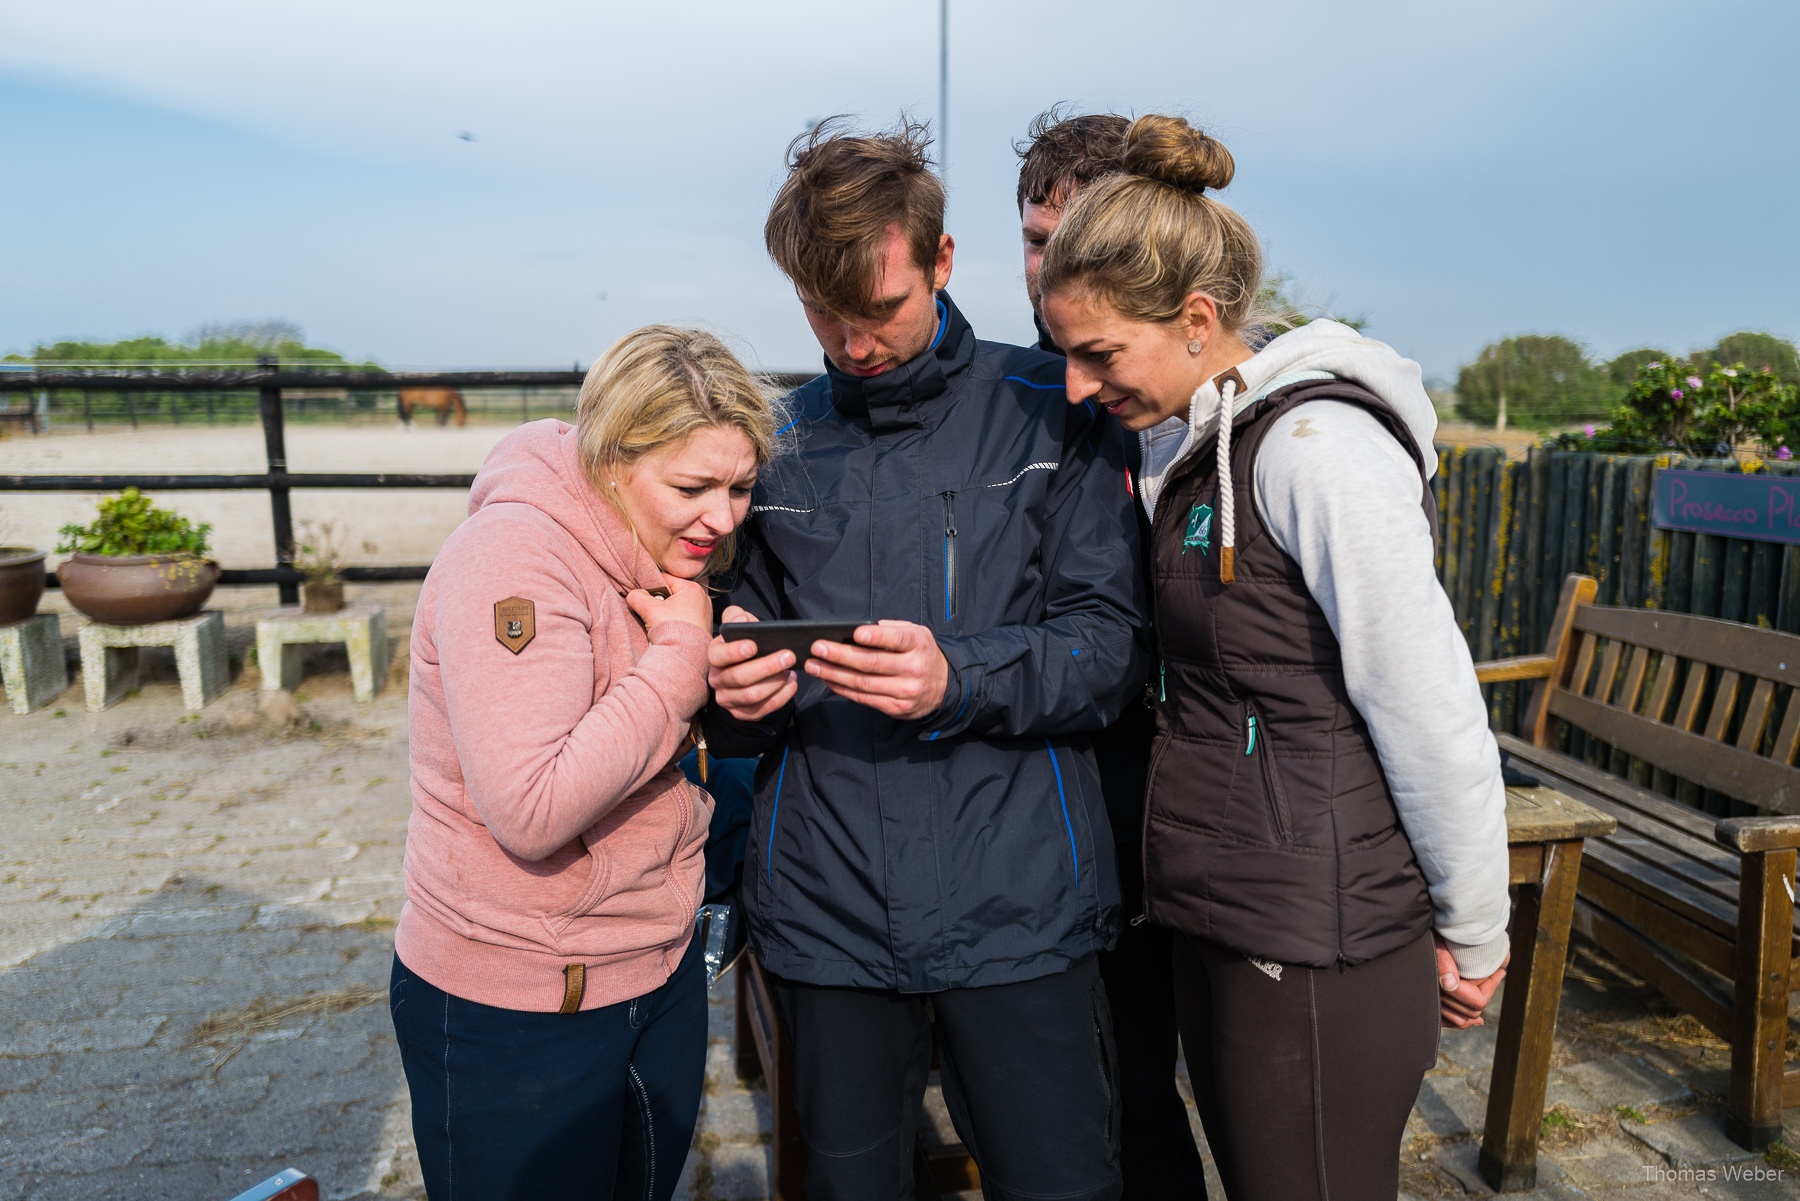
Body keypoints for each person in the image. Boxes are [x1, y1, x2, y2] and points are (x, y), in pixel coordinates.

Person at [1038, 115, 1513, 1201]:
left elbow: (1427, 702)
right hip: (1225, 913)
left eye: (1099, 352)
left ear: (1199, 319)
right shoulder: (1193, 450)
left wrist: (1475, 923)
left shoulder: (1317, 453)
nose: (1074, 386)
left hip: (1318, 935)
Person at [705, 118, 1148, 1201]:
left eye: (881, 312)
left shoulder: (1054, 410)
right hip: (830, 916)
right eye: (826, 315)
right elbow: (735, 655)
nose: (853, 345)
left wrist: (961, 677)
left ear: (943, 262)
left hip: (1023, 908)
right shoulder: (781, 443)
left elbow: (1110, 649)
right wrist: (736, 696)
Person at [390, 326, 779, 1201]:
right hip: (521, 1011)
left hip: (653, 972)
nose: (721, 519)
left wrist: (723, 676)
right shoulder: (511, 558)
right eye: (692, 487)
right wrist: (682, 662)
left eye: (741, 487)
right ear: (611, 458)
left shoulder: (652, 550)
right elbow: (530, 804)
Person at [1015, 107, 1207, 1201]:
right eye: (1035, 242)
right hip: (1060, 762)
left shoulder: (1206, 403)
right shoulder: (1025, 396)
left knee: (1151, 1067)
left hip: (1177, 770)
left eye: (1073, 236)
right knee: (1088, 1069)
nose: (1052, 268)